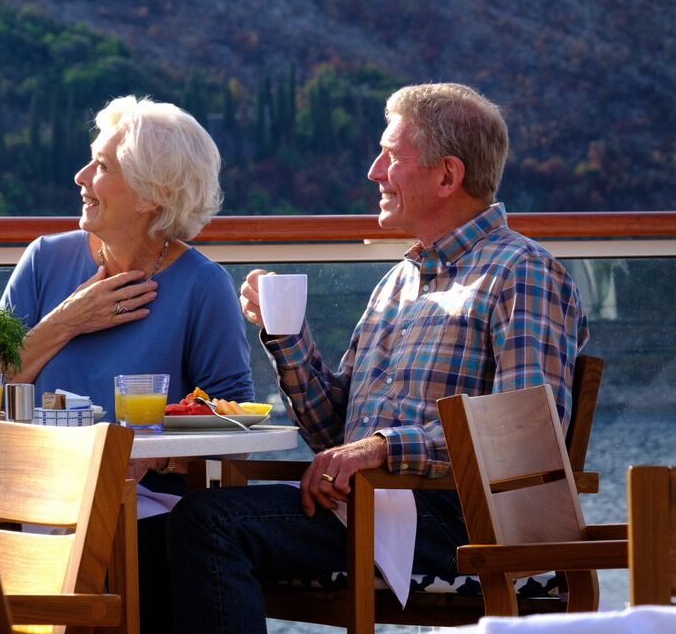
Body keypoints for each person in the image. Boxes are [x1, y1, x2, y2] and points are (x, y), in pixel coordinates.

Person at [167, 82, 589, 634]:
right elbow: (334, 436)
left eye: (390, 155)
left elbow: (523, 441)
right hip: (372, 507)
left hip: (461, 521)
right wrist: (286, 335)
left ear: (447, 176)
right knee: (167, 531)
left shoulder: (523, 272)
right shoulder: (396, 284)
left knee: (208, 525)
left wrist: (381, 448)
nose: (373, 172)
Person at [0, 94, 254, 634]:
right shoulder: (46, 260)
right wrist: (66, 321)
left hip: (140, 504)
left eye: (101, 166)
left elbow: (231, 420)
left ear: (151, 195)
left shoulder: (204, 286)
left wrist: (155, 458)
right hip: (30, 491)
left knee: (150, 550)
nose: (80, 177)